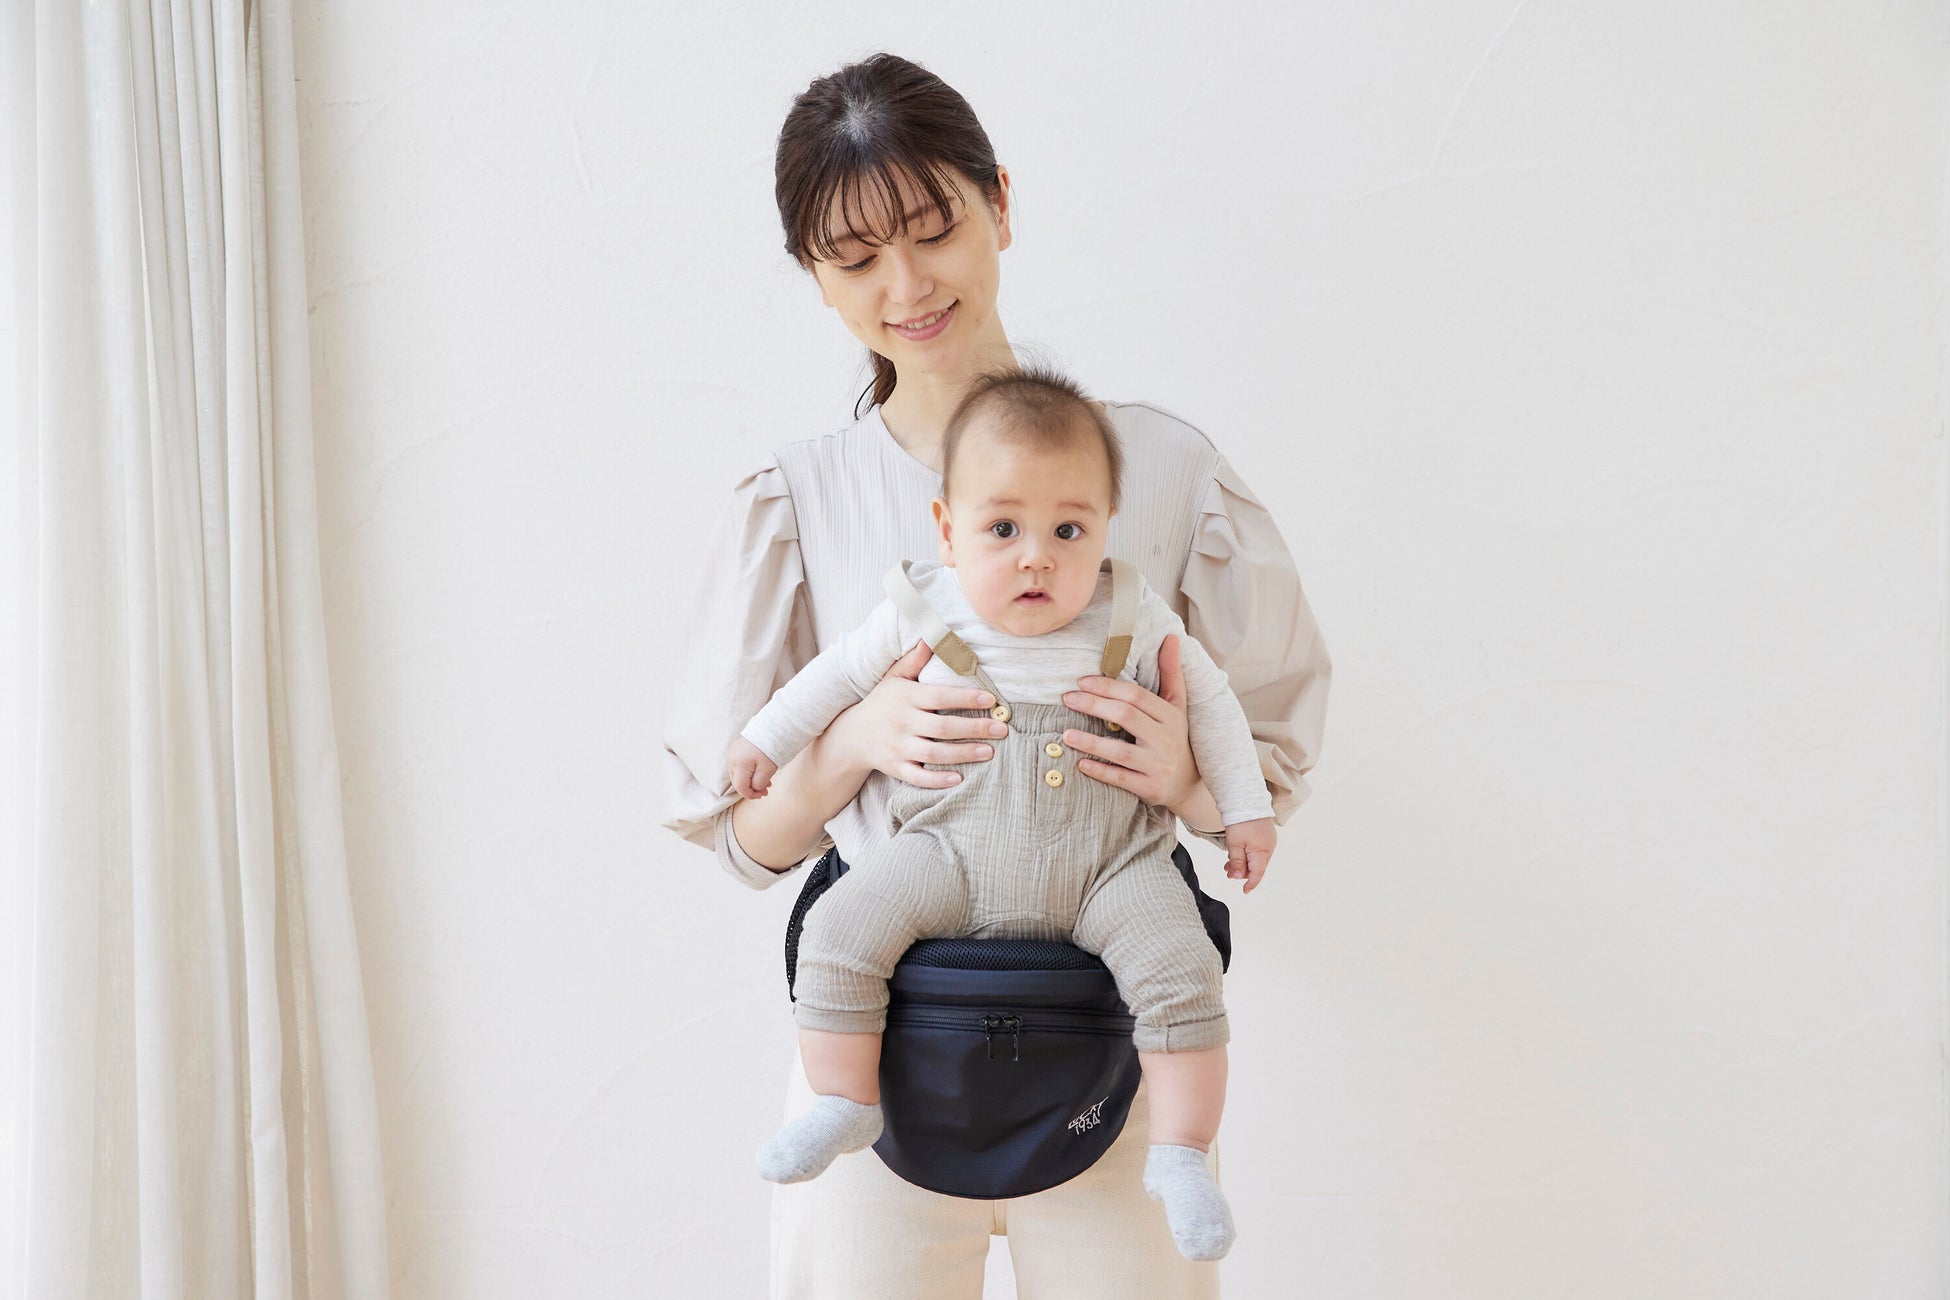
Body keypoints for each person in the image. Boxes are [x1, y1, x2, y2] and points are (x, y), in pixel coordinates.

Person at [661, 52, 1331, 1299]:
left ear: (1000, 205)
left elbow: (1263, 776)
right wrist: (855, 739)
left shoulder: (1163, 471)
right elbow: (746, 843)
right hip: (879, 1065)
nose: (907, 285)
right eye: (855, 258)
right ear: (813, 273)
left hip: (1115, 1053)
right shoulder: (797, 500)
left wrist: (1188, 777)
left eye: (934, 230)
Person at [730, 368, 1276, 1261]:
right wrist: (763, 739)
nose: (1037, 557)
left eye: (1069, 530)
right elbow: (829, 679)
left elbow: (1211, 707)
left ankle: (1180, 1152)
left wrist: (1240, 810)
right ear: (948, 530)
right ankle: (846, 1100)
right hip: (946, 855)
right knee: (837, 930)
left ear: (1107, 527)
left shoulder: (1133, 614)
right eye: (1003, 529)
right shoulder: (920, 610)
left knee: (1183, 971)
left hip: (1111, 869)